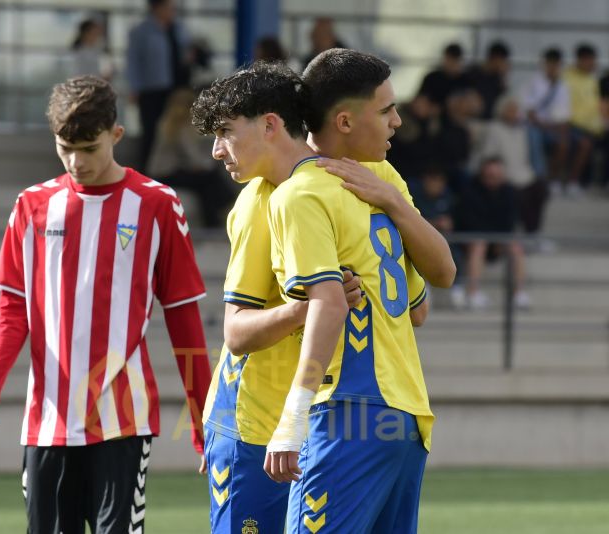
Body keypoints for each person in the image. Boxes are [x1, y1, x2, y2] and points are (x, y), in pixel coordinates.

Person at [0, 76, 212, 534]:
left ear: (116, 135)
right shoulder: (32, 206)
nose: (76, 162)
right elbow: (14, 310)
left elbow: (184, 320)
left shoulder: (158, 204)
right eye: (65, 148)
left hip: (123, 419)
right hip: (47, 421)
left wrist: (203, 426)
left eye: (89, 148)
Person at [266, 48, 455, 534]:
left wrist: (293, 418)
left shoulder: (313, 191)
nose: (397, 120)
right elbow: (423, 303)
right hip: (406, 416)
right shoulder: (362, 181)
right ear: (345, 121)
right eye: (387, 109)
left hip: (348, 414)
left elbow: (328, 307)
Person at [191, 61, 365, 534]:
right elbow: (237, 332)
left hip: (301, 427)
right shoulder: (256, 202)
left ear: (270, 124)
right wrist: (311, 306)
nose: (216, 150)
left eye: (225, 132)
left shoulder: (326, 189)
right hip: (251, 426)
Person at [147, 88, 236, 227]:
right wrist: (206, 165)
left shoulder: (166, 122)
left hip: (162, 172)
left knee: (207, 179)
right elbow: (192, 155)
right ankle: (219, 212)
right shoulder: (181, 126)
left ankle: (217, 213)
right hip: (167, 173)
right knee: (208, 180)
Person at [454, 157, 528, 310]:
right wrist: (490, 236)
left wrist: (494, 239)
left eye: (496, 176)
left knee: (515, 246)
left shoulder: (510, 192)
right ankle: (473, 294)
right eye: (489, 176)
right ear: (482, 174)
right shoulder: (470, 190)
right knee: (479, 244)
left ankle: (518, 294)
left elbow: (509, 222)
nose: (493, 179)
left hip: (497, 240)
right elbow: (468, 221)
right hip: (471, 241)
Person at [127, 0, 191, 169]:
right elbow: (133, 61)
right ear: (157, 8)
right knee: (151, 131)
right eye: (169, 7)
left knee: (175, 130)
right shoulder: (141, 31)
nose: (172, 11)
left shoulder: (178, 29)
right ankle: (146, 170)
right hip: (151, 88)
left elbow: (185, 53)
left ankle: (170, 168)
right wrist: (135, 87)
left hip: (176, 90)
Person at [477, 95, 549, 237]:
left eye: (515, 110)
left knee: (540, 190)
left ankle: (533, 232)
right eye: (510, 110)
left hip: (525, 173)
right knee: (517, 195)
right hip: (503, 174)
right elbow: (488, 156)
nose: (513, 113)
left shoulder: (523, 130)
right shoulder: (494, 129)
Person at [520, 47, 571, 191]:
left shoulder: (563, 86)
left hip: (552, 127)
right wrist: (544, 125)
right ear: (544, 63)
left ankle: (553, 180)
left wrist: (561, 130)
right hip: (534, 125)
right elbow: (528, 111)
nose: (553, 67)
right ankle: (539, 178)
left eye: (556, 64)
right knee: (534, 138)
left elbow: (565, 114)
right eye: (550, 63)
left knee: (563, 143)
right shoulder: (533, 82)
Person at [563, 43, 602, 195]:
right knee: (585, 143)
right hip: (573, 125)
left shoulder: (592, 80)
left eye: (593, 61)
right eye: (589, 60)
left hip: (594, 127)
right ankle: (573, 182)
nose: (592, 64)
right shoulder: (566, 78)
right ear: (580, 60)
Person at [417, 43, 471, 116]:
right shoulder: (432, 78)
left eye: (455, 61)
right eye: (450, 60)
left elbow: (474, 104)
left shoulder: (465, 80)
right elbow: (420, 102)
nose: (452, 64)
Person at [465, 40, 511, 120]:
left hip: (491, 121)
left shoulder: (497, 77)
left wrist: (503, 76)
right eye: (502, 60)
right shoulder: (473, 72)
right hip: (472, 119)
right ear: (495, 58)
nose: (503, 64)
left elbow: (502, 99)